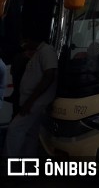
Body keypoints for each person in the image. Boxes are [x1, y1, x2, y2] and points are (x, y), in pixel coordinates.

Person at [3, 26, 58, 157]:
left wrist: (30, 101)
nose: (24, 44)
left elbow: (49, 76)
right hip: (31, 102)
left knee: (15, 129)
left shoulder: (47, 51)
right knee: (31, 134)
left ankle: (9, 162)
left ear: (32, 40)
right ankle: (27, 166)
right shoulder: (37, 53)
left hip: (35, 103)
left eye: (25, 41)